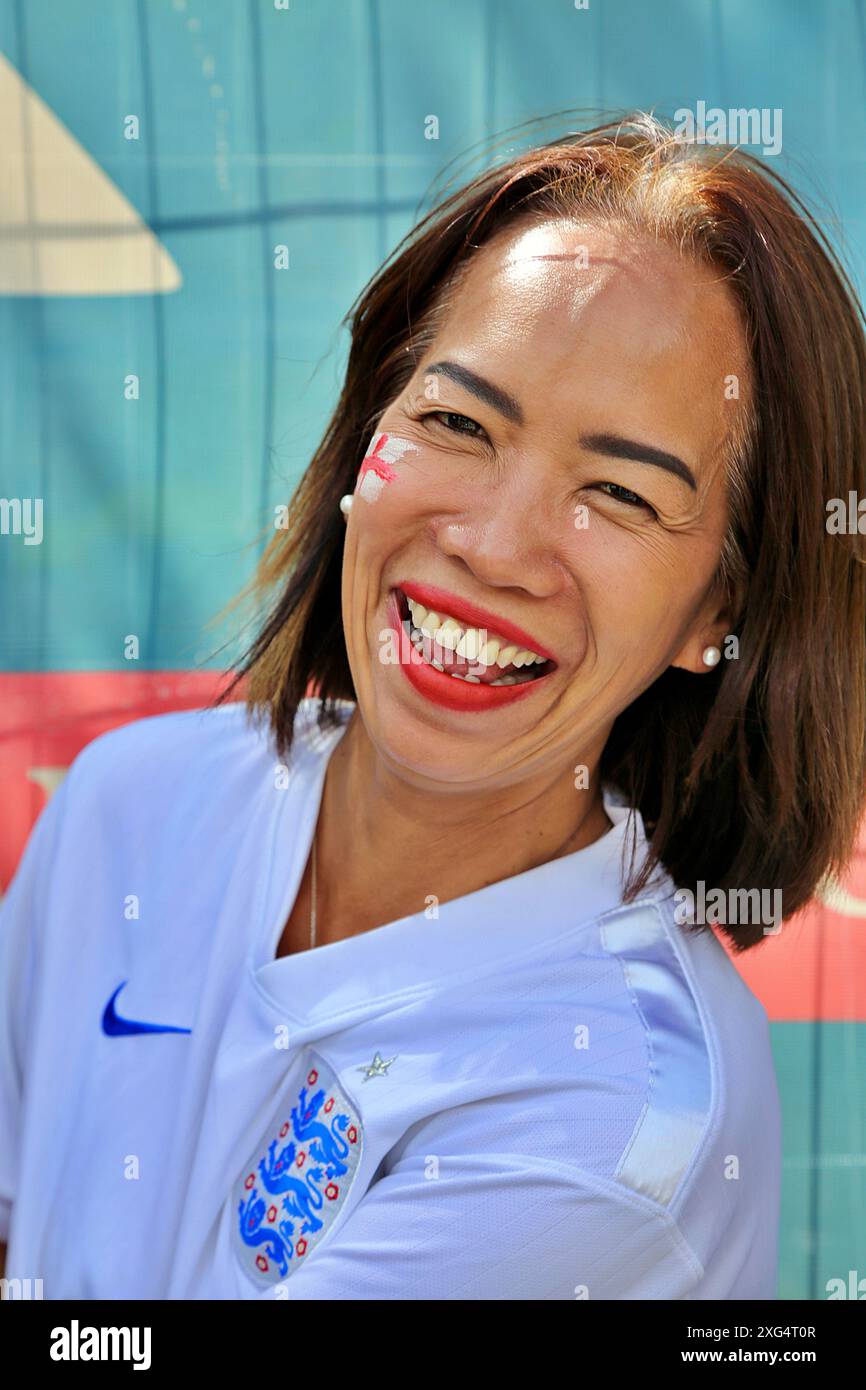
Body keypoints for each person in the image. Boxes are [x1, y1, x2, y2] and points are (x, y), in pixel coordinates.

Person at [2, 113, 865, 1300]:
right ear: (367, 436)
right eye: (456, 422)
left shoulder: (617, 1112)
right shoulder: (132, 804)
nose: (493, 544)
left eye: (614, 492)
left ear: (717, 613)